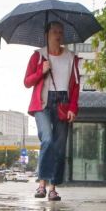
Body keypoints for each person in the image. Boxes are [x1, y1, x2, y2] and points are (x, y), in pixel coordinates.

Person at [24, 21, 81, 201]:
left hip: (63, 102)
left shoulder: (71, 57)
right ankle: (42, 185)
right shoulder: (38, 56)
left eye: (60, 32)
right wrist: (42, 70)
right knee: (47, 139)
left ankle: (53, 188)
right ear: (47, 34)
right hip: (42, 103)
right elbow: (27, 82)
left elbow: (76, 86)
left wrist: (73, 108)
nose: (58, 35)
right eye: (55, 31)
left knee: (58, 147)